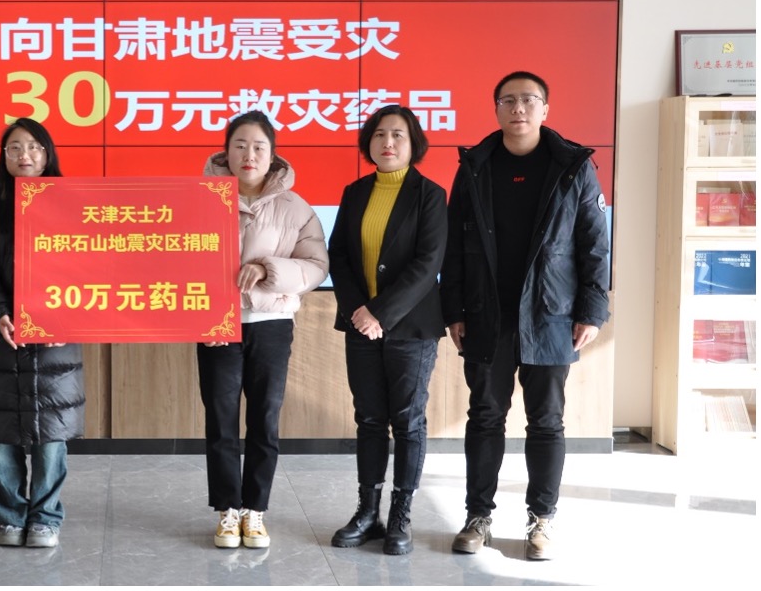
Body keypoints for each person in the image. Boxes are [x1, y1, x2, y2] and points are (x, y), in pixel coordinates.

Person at [441, 71, 610, 561]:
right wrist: (453, 308)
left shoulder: (573, 166)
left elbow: (594, 244)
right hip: (486, 312)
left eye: (529, 100)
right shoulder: (475, 166)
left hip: (551, 313)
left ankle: (542, 521)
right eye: (508, 100)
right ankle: (478, 517)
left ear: (545, 109)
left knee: (547, 421)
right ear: (496, 108)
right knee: (485, 417)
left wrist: (592, 309)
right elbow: (454, 245)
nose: (519, 108)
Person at [198, 110, 328, 549]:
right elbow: (178, 261)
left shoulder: (296, 208)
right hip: (217, 326)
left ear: (273, 156)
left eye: (258, 147)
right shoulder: (200, 200)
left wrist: (268, 269)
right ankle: (227, 510)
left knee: (264, 419)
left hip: (271, 324)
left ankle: (254, 510)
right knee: (220, 420)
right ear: (226, 152)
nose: (248, 154)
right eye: (239, 145)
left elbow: (315, 266)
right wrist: (200, 315)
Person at [327, 105, 447, 555]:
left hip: (411, 328)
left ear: (414, 143)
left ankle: (401, 515)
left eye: (398, 135)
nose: (388, 142)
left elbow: (427, 264)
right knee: (370, 419)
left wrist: (379, 313)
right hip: (361, 326)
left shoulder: (430, 195)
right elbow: (339, 256)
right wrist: (358, 310)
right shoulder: (355, 192)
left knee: (408, 421)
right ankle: (367, 512)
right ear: (369, 143)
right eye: (379, 134)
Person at [0, 117, 86, 549]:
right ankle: (10, 518)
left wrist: (65, 317)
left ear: (47, 154)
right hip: (1, 334)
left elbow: (87, 267)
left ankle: (46, 519)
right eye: (14, 148)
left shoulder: (72, 204)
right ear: (4, 157)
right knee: (3, 436)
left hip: (57, 340)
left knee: (51, 433)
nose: (24, 155)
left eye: (33, 146)